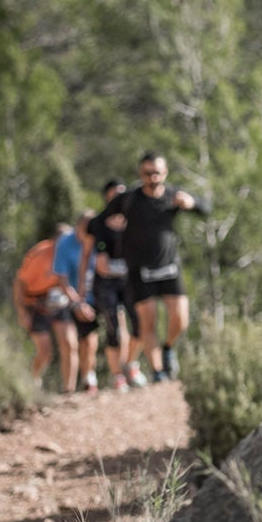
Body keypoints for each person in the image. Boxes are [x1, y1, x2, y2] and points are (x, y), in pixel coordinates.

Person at [102, 153, 206, 382]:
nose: (153, 177)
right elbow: (98, 224)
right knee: (147, 323)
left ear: (165, 172)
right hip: (140, 270)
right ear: (141, 175)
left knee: (181, 318)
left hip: (169, 266)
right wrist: (102, 246)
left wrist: (193, 203)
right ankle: (158, 371)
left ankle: (168, 347)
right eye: (148, 173)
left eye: (157, 172)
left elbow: (206, 208)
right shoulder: (128, 199)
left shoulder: (173, 195)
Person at [14, 223, 93, 394]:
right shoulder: (39, 254)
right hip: (36, 304)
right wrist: (22, 311)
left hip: (60, 303)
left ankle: (68, 390)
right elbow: (20, 282)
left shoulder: (73, 253)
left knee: (70, 344)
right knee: (45, 352)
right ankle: (32, 380)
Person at [85, 180, 145, 389]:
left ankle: (130, 364)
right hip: (106, 286)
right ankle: (117, 375)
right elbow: (101, 265)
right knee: (115, 329)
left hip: (130, 283)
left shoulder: (136, 222)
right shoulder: (99, 224)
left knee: (141, 324)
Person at [55, 208, 102, 394]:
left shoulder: (100, 241)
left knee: (89, 343)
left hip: (93, 298)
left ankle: (88, 378)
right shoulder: (65, 243)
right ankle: (68, 388)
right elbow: (62, 280)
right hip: (68, 299)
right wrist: (77, 303)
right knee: (69, 344)